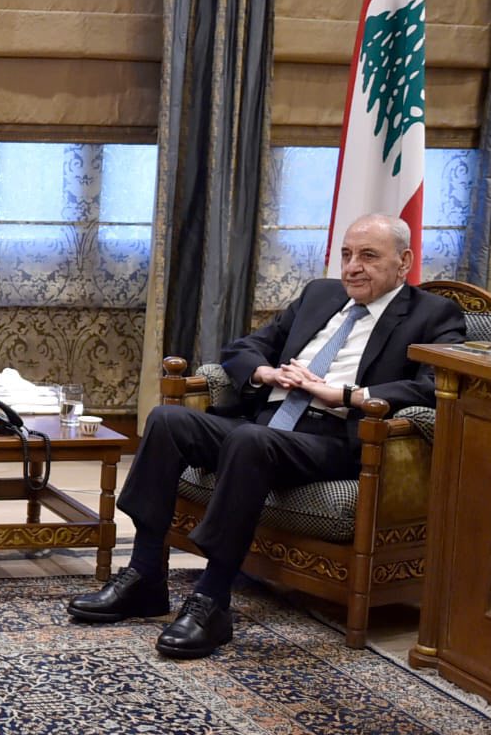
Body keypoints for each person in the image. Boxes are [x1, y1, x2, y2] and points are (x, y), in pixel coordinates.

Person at [67, 213, 465, 659]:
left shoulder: (434, 314)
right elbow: (245, 347)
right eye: (347, 255)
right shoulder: (321, 295)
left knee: (249, 441)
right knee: (166, 421)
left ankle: (212, 600)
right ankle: (144, 576)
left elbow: (436, 387)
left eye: (369, 257)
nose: (353, 267)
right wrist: (265, 372)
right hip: (268, 420)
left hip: (334, 437)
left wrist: (345, 394)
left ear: (404, 261)